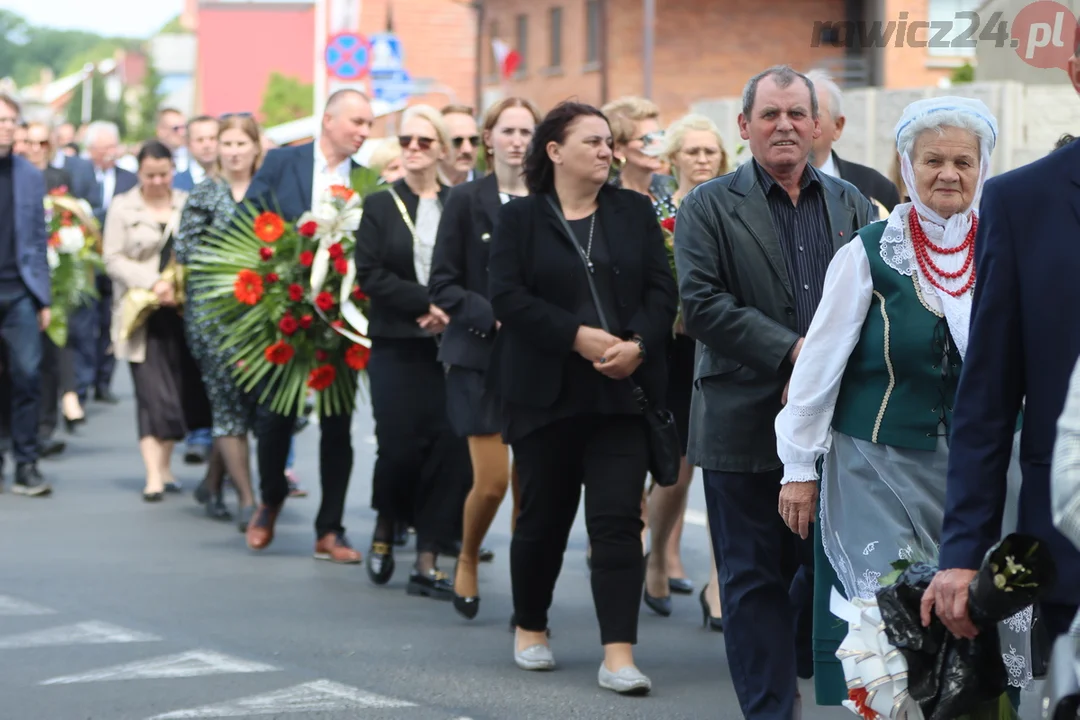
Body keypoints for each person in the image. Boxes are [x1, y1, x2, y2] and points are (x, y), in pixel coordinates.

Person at [776, 96, 1037, 699]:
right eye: (933, 160)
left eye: (964, 162)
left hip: (987, 469)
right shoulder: (869, 253)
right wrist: (798, 467)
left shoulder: (1005, 249)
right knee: (893, 625)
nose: (949, 173)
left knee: (984, 613)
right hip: (877, 466)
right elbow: (817, 367)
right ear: (906, 166)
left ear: (983, 169)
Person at [673, 65, 874, 719]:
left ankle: (781, 667)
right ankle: (768, 708)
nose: (784, 126)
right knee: (751, 576)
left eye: (796, 114)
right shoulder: (707, 204)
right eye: (769, 115)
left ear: (817, 125)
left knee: (818, 571)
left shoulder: (851, 205)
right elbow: (700, 304)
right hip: (741, 421)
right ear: (744, 127)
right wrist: (797, 355)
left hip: (830, 428)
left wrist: (826, 376)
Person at [488, 101, 677, 694]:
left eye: (608, 142)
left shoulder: (633, 211)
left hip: (620, 393)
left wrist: (639, 346)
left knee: (618, 521)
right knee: (543, 518)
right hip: (545, 395)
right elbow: (506, 297)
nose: (607, 151)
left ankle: (618, 653)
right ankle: (531, 626)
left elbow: (659, 288)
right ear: (554, 150)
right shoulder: (520, 218)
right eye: (593, 141)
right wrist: (574, 335)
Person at [919, 42, 1080, 657]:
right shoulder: (1020, 203)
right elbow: (985, 396)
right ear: (1073, 76)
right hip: (1069, 534)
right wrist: (962, 553)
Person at [243, 88, 373, 563]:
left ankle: (331, 529)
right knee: (275, 417)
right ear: (328, 120)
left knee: (338, 424)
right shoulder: (284, 165)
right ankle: (270, 498)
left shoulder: (368, 179)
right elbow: (250, 220)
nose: (363, 132)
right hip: (287, 309)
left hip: (342, 318)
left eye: (368, 126)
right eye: (357, 122)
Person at [428, 96, 540, 619]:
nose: (517, 140)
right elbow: (442, 283)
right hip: (478, 356)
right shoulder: (465, 199)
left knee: (532, 489)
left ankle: (526, 594)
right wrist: (490, 313)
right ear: (488, 138)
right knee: (493, 480)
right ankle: (467, 556)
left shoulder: (550, 200)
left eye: (526, 131)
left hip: (539, 358)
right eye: (508, 130)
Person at [355, 104, 471, 599]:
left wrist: (449, 309)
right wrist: (425, 304)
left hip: (451, 347)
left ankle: (427, 557)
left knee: (448, 450)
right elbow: (371, 273)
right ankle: (385, 526)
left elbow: (475, 268)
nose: (414, 150)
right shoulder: (381, 204)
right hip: (398, 343)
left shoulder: (461, 203)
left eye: (425, 142)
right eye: (406, 142)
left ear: (442, 149)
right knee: (400, 446)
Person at [641, 113, 729, 626]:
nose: (701, 159)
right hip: (673, 355)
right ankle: (655, 555)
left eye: (710, 151)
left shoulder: (734, 206)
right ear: (673, 159)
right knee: (675, 472)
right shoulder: (655, 212)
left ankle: (720, 583)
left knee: (726, 466)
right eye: (692, 151)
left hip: (725, 352)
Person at [103, 141, 203, 501]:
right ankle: (153, 475)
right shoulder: (122, 206)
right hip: (139, 314)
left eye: (164, 174)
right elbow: (112, 259)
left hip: (179, 312)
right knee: (151, 395)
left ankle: (164, 466)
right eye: (150, 175)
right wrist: (152, 282)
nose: (158, 181)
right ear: (139, 173)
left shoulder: (187, 203)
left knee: (176, 391)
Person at [176, 114, 262, 531]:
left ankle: (211, 483)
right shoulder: (204, 194)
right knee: (227, 402)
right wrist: (232, 272)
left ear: (255, 148)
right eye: (226, 144)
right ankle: (248, 499)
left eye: (240, 144)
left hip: (261, 315)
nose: (232, 152)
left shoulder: (268, 192)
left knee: (245, 404)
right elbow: (186, 253)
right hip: (213, 317)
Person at [0, 94, 53, 497]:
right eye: (2, 120)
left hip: (19, 292)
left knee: (27, 376)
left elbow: (37, 239)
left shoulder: (29, 175)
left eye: (11, 121)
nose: (7, 127)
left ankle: (27, 462)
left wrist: (44, 299)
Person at [83, 121, 137, 409]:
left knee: (110, 321)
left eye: (111, 147)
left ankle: (103, 380)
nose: (107, 153)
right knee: (83, 322)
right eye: (101, 148)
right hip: (86, 261)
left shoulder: (129, 179)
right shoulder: (80, 175)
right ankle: (82, 381)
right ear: (90, 149)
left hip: (116, 262)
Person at [804, 69, 900, 216]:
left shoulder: (876, 189)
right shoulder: (761, 186)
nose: (795, 125)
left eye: (812, 116)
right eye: (794, 115)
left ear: (837, 126)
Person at [601, 96, 675, 201]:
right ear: (617, 150)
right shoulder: (606, 197)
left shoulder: (672, 187)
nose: (657, 143)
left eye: (659, 135)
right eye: (646, 139)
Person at [173, 115, 219, 192]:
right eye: (200, 140)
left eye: (212, 138)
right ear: (187, 143)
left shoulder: (233, 181)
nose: (207, 145)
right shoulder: (176, 183)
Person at [440, 105, 479, 185]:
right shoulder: (419, 188)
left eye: (473, 140)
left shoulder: (493, 188)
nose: (468, 149)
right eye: (457, 141)